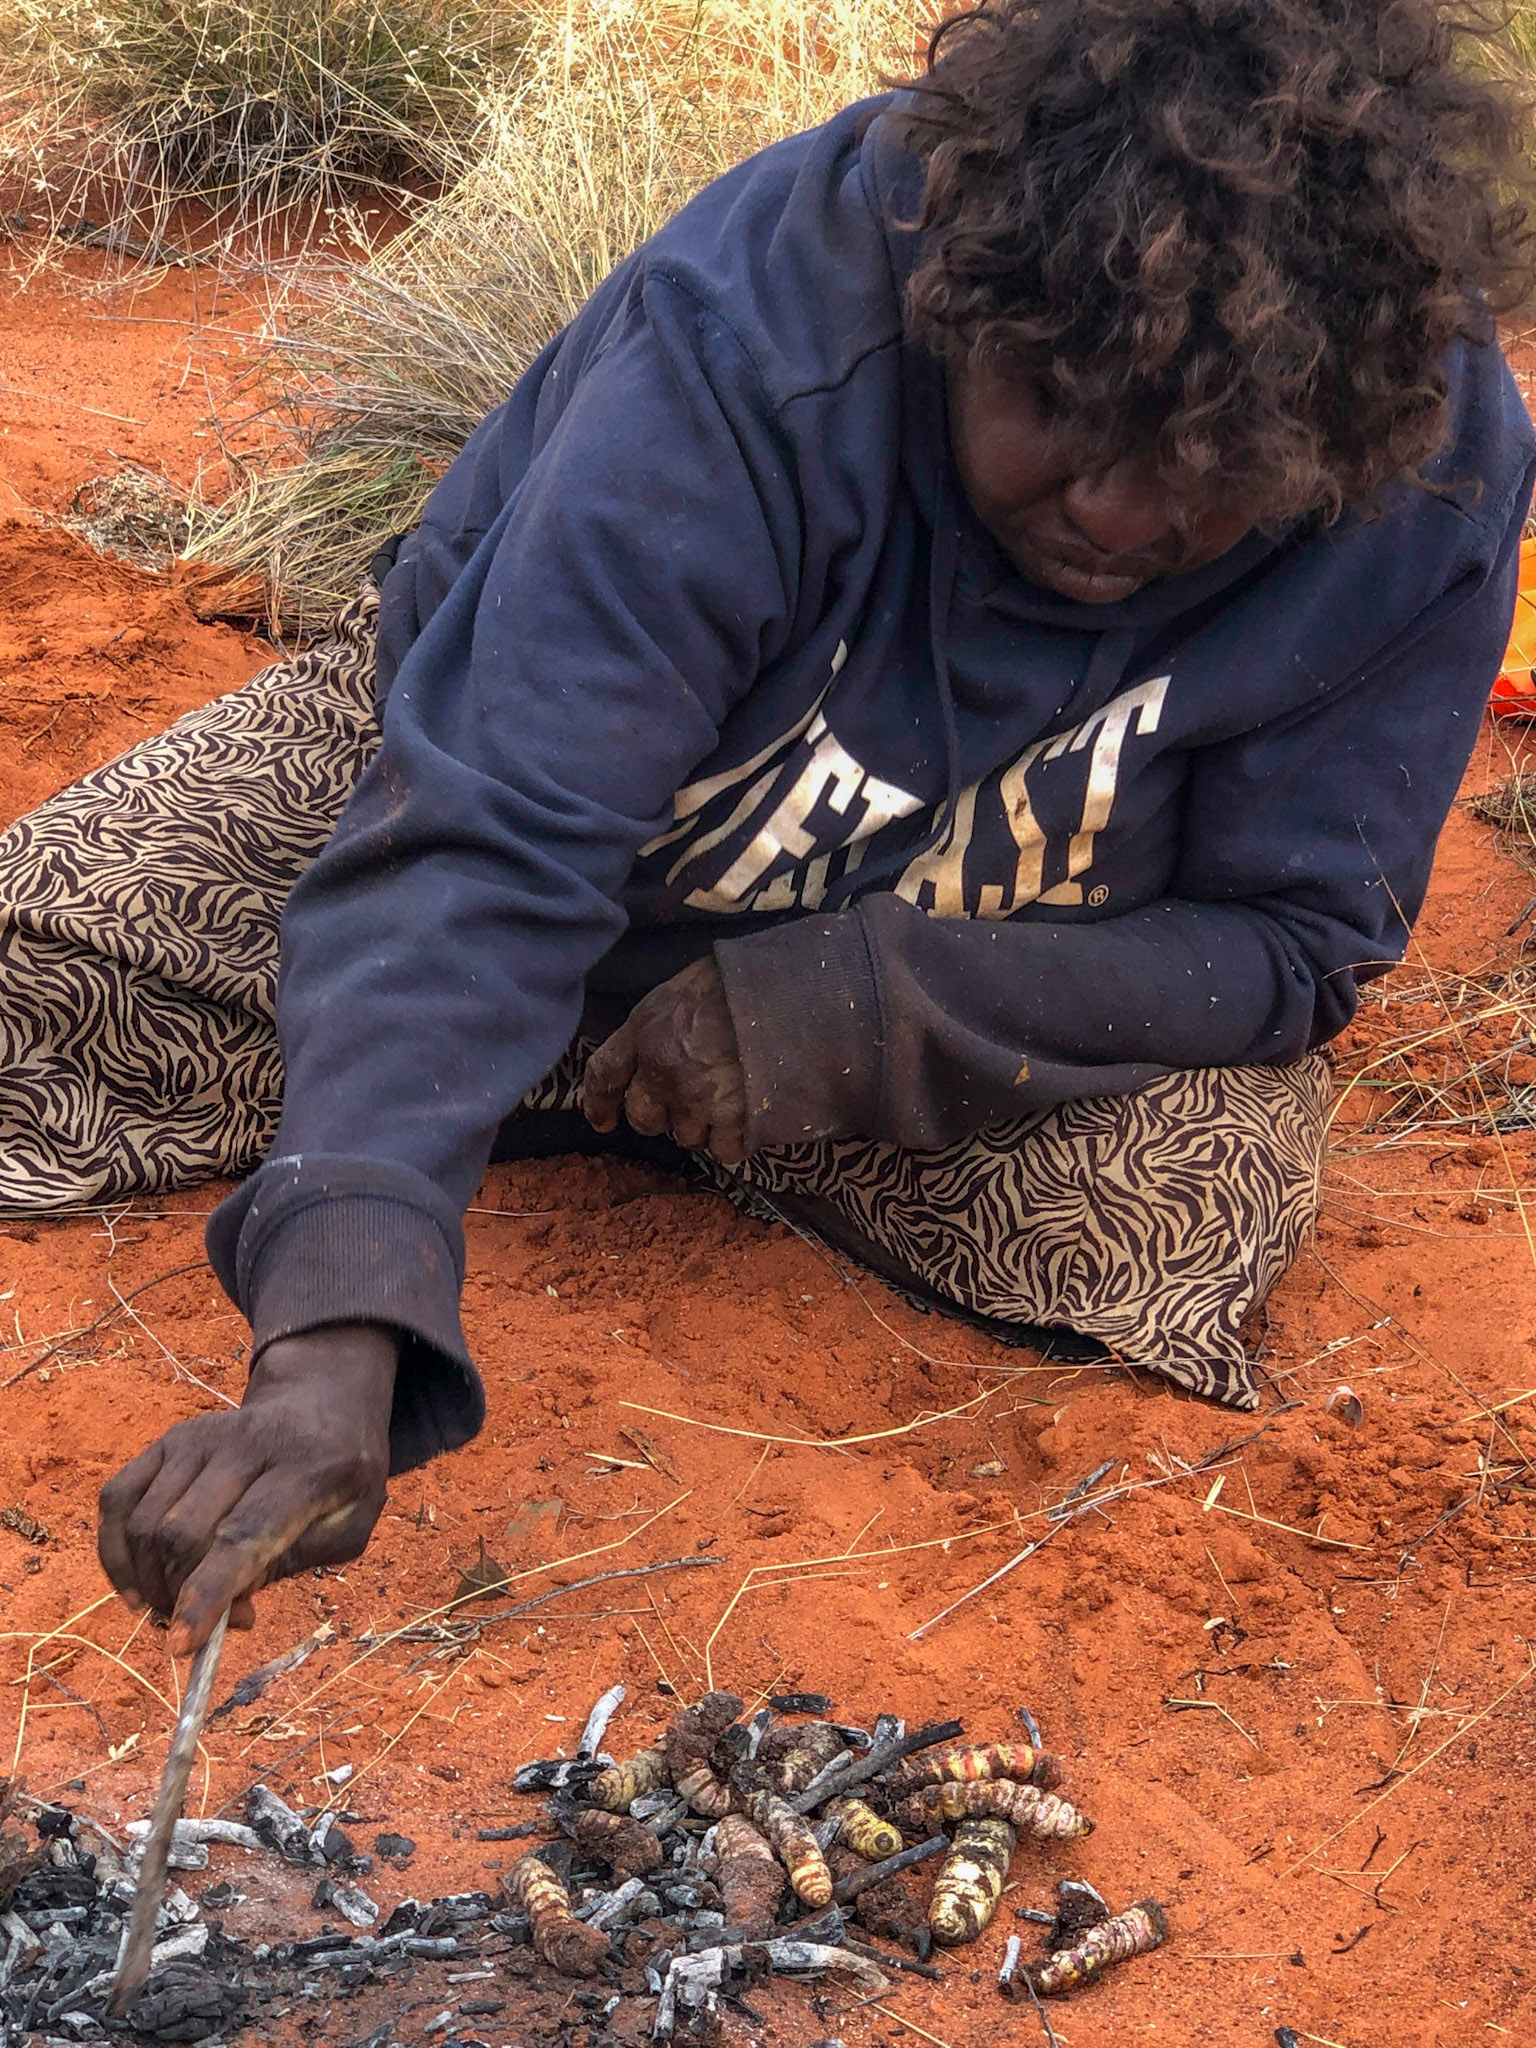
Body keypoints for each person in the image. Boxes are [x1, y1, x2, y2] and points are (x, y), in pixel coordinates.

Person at [12, 0, 1527, 1651]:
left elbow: (1293, 944)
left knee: (1199, 1196)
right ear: (960, 301)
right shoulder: (761, 328)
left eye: (1206, 473)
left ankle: (546, 1088)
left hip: (964, 972)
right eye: (1058, 408)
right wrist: (335, 1335)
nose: (1112, 509)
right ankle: (492, 1082)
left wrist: (851, 1011)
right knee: (47, 945)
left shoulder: (1417, 465)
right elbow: (488, 828)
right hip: (512, 798)